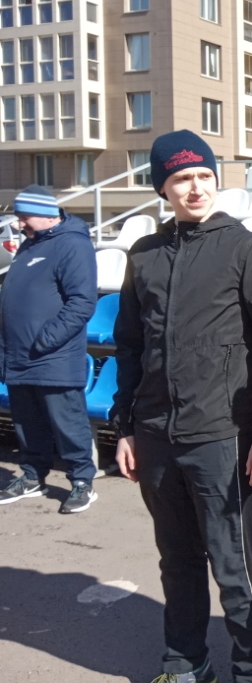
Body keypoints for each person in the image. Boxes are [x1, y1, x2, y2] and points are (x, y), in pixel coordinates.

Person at [112, 129, 252, 683]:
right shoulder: (144, 255)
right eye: (181, 178)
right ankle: (185, 663)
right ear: (162, 187)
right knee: (177, 562)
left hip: (220, 433)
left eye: (203, 176)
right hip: (155, 433)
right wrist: (125, 428)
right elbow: (129, 346)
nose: (195, 187)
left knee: (234, 566)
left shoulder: (244, 248)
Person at [0, 185, 98, 513]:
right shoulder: (30, 245)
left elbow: (82, 302)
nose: (19, 224)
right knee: (27, 424)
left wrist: (44, 340)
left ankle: (82, 482)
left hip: (53, 356)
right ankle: (32, 476)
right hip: (18, 356)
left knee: (67, 423)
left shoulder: (72, 244)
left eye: (23, 217)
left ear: (45, 214)